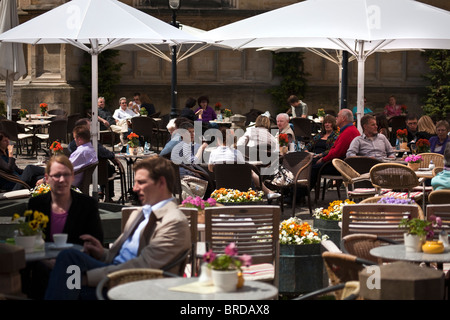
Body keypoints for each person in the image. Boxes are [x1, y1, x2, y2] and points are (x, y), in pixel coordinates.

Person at [44, 156, 191, 300]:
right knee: (68, 257)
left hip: (132, 287)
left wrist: (85, 279)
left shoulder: (174, 222)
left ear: (161, 183)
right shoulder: (140, 213)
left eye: (141, 182)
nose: (134, 188)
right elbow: (122, 257)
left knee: (64, 276)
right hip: (116, 273)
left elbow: (141, 268)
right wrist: (102, 254)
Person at [22, 154, 103, 300]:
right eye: (56, 175)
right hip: (43, 263)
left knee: (69, 274)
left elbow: (96, 241)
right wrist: (49, 262)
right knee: (39, 271)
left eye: (66, 175)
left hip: (76, 266)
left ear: (72, 176)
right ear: (46, 178)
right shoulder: (37, 204)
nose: (61, 180)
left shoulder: (87, 205)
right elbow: (31, 241)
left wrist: (61, 264)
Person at [208, 127, 278, 197]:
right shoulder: (236, 152)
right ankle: (267, 191)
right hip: (238, 185)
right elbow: (244, 168)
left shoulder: (213, 153)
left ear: (218, 139)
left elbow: (210, 169)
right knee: (251, 171)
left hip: (220, 184)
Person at [309, 108, 360, 190]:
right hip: (337, 162)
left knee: (312, 167)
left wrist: (323, 159)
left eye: (338, 116)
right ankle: (299, 192)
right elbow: (335, 149)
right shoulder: (348, 130)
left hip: (340, 165)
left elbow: (337, 152)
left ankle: (300, 193)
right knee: (310, 163)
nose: (336, 118)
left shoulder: (348, 132)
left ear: (343, 118)